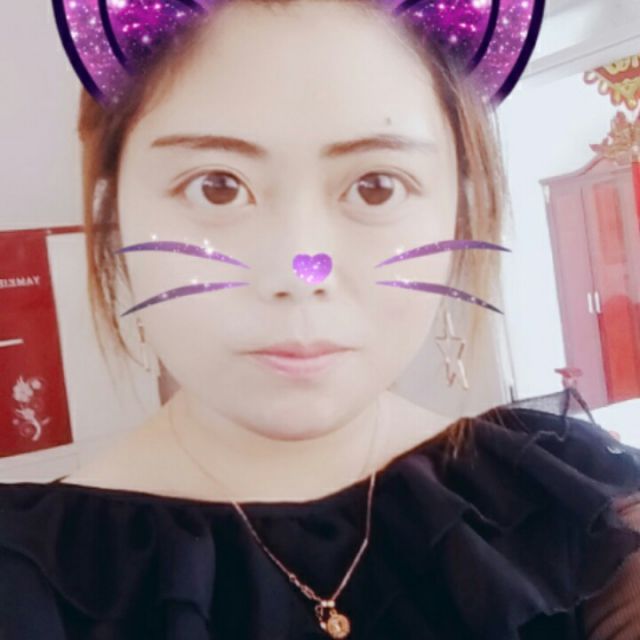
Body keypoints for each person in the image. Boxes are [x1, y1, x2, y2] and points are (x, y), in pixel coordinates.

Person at [1, 1, 640, 638]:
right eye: (217, 186)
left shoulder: (576, 508)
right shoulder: (22, 584)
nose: (299, 272)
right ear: (114, 213)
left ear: (459, 210)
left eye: (376, 186)